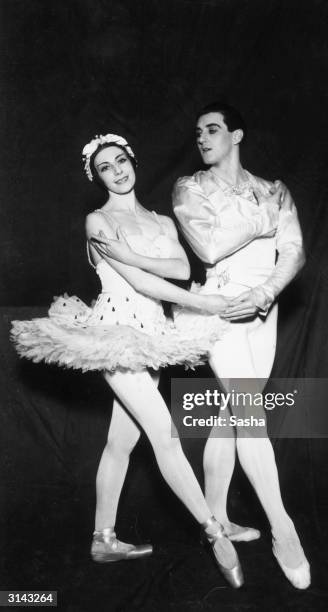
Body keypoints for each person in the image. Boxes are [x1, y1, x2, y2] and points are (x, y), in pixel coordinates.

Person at [11, 133, 244, 589]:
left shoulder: (160, 221)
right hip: (116, 335)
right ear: (96, 177)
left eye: (121, 161)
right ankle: (214, 533)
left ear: (132, 162)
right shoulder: (96, 220)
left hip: (153, 336)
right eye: (105, 168)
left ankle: (103, 538)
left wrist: (133, 254)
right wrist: (208, 303)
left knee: (121, 442)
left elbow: (181, 269)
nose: (117, 171)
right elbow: (147, 284)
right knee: (166, 436)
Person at [171, 103, 311, 589]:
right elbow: (209, 248)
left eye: (213, 129)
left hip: (260, 309)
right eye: (198, 132)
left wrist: (265, 292)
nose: (203, 138)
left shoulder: (272, 188)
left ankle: (217, 518)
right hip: (220, 310)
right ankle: (283, 528)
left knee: (234, 417)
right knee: (250, 412)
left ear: (237, 134)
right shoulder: (190, 188)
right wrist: (265, 215)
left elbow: (293, 251)